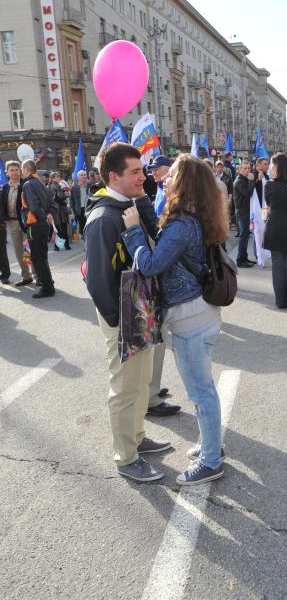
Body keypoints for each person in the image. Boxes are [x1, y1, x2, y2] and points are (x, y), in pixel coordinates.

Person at [122, 154, 229, 486]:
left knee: (201, 392)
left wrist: (132, 233)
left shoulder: (184, 224)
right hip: (199, 314)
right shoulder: (189, 218)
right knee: (202, 389)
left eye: (172, 177)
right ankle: (213, 447)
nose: (163, 179)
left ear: (184, 184)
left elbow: (151, 264)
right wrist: (141, 202)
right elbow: (164, 236)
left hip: (191, 319)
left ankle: (212, 460)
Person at [84, 142, 169, 483]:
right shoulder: (104, 218)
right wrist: (119, 324)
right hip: (121, 313)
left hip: (138, 305)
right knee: (124, 385)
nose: (143, 176)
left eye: (142, 169)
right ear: (113, 176)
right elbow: (98, 279)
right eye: (134, 171)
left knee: (141, 380)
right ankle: (125, 456)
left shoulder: (128, 205)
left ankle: (136, 437)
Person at [146, 154, 181, 417]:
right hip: (151, 279)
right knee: (155, 339)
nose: (154, 175)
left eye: (162, 172)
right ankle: (150, 395)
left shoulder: (176, 201)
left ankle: (152, 390)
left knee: (159, 339)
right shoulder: (154, 194)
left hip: (162, 274)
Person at [263, 153, 287, 308]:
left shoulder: (270, 185)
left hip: (275, 228)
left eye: (272, 165)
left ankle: (280, 301)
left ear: (277, 166)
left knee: (278, 265)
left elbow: (268, 203)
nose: (270, 168)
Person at [20, 159, 55, 298]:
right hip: (43, 224)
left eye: (22, 169)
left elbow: (33, 206)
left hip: (35, 224)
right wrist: (48, 214)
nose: (22, 172)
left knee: (37, 257)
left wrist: (42, 217)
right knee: (42, 255)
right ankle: (47, 281)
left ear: (27, 169)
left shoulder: (28, 184)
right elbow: (51, 202)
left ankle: (47, 287)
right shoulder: (40, 182)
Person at [1, 160, 33, 285]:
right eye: (11, 170)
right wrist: (3, 218)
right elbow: (3, 205)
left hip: (26, 222)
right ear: (7, 172)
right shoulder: (5, 187)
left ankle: (37, 275)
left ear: (20, 171)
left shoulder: (26, 184)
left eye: (16, 170)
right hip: (11, 223)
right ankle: (26, 276)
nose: (14, 173)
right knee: (19, 251)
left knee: (29, 250)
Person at [233, 161, 256, 268]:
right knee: (243, 236)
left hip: (246, 211)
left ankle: (244, 258)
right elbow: (248, 193)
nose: (247, 170)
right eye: (245, 168)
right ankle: (240, 260)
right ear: (240, 169)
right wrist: (252, 181)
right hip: (242, 212)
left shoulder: (244, 180)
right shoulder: (239, 181)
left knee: (246, 236)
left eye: (249, 168)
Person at [48, 172, 71, 250]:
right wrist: (67, 194)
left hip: (55, 209)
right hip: (59, 209)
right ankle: (64, 245)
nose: (58, 178)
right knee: (61, 227)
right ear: (52, 178)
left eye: (58, 177)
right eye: (56, 177)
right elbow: (60, 197)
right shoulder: (56, 186)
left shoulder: (49, 186)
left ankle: (58, 246)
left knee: (57, 228)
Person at [70, 170, 89, 238]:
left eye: (84, 174)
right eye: (82, 175)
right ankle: (84, 241)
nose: (84, 176)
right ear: (78, 177)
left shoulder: (90, 186)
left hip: (89, 209)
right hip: (79, 210)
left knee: (89, 226)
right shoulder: (74, 187)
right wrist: (72, 212)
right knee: (82, 227)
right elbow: (71, 200)